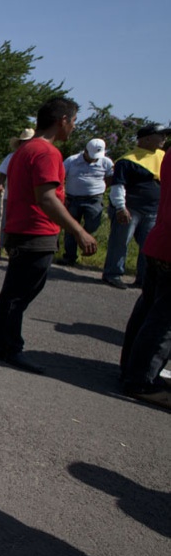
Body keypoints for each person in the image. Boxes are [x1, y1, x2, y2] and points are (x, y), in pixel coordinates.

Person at [0, 97, 98, 373]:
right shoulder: (47, 153)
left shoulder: (24, 150)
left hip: (20, 227)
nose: (73, 128)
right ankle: (9, 347)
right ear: (62, 120)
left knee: (18, 287)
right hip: (35, 230)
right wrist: (79, 231)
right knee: (22, 292)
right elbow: (47, 198)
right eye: (73, 121)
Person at [119, 144, 171, 408]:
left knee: (149, 311)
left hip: (159, 241)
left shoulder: (167, 154)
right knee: (164, 322)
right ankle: (141, 381)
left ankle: (131, 370)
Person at [102, 124, 168, 289]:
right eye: (160, 135)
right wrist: (120, 207)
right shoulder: (128, 160)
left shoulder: (163, 156)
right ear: (146, 139)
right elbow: (118, 186)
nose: (164, 139)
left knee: (147, 244)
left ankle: (144, 277)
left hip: (153, 210)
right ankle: (113, 273)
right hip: (131, 209)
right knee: (121, 242)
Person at [59, 138, 113, 266]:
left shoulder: (106, 162)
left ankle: (83, 238)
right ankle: (70, 257)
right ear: (85, 151)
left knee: (93, 224)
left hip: (94, 199)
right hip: (73, 198)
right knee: (70, 227)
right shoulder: (72, 161)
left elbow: (111, 177)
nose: (94, 158)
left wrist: (102, 187)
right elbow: (60, 176)